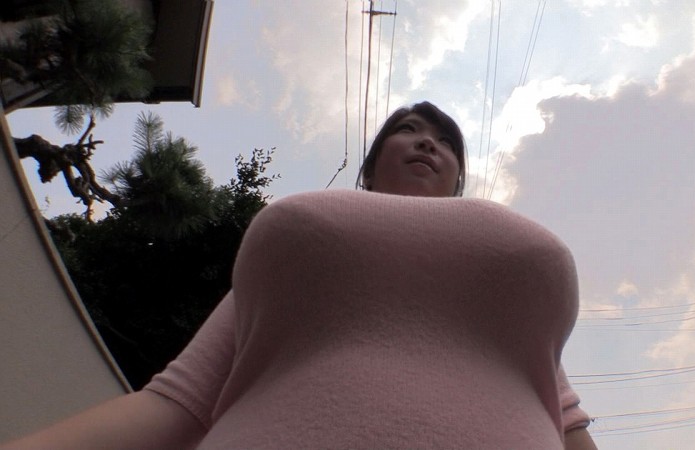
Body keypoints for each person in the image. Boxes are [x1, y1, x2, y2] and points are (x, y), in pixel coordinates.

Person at [3, 101, 596, 449]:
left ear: (458, 179)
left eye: (445, 142)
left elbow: (563, 420)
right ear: (369, 168)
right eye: (409, 130)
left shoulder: (496, 287)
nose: (427, 143)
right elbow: (178, 400)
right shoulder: (304, 260)